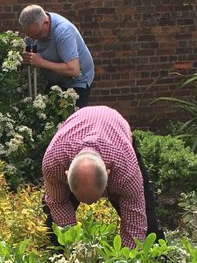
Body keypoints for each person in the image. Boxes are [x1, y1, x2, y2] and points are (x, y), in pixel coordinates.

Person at [41, 105, 163, 247]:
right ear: (66, 175)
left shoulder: (126, 171)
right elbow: (58, 203)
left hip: (116, 132)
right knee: (55, 227)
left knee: (148, 227)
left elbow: (135, 229)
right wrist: (74, 250)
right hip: (74, 131)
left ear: (108, 174)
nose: (90, 205)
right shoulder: (53, 162)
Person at [19, 5, 95, 109]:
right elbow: (29, 50)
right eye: (30, 36)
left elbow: (74, 69)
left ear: (46, 22)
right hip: (55, 80)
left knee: (72, 119)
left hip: (77, 80)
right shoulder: (35, 31)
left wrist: (41, 62)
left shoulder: (63, 32)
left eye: (37, 35)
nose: (34, 39)